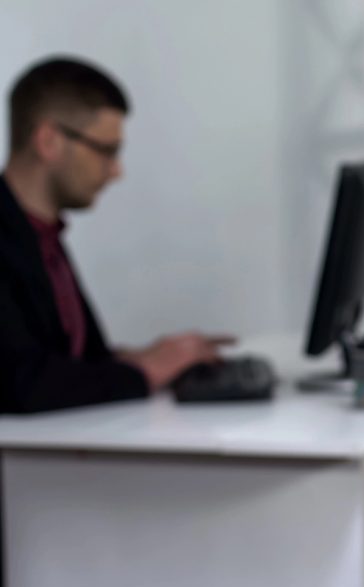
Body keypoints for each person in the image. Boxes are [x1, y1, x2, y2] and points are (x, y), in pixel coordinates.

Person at [0, 56, 230, 414]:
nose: (116, 171)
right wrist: (146, 371)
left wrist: (145, 357)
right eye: (106, 151)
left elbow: (67, 358)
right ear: (49, 141)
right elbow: (20, 381)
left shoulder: (42, 236)